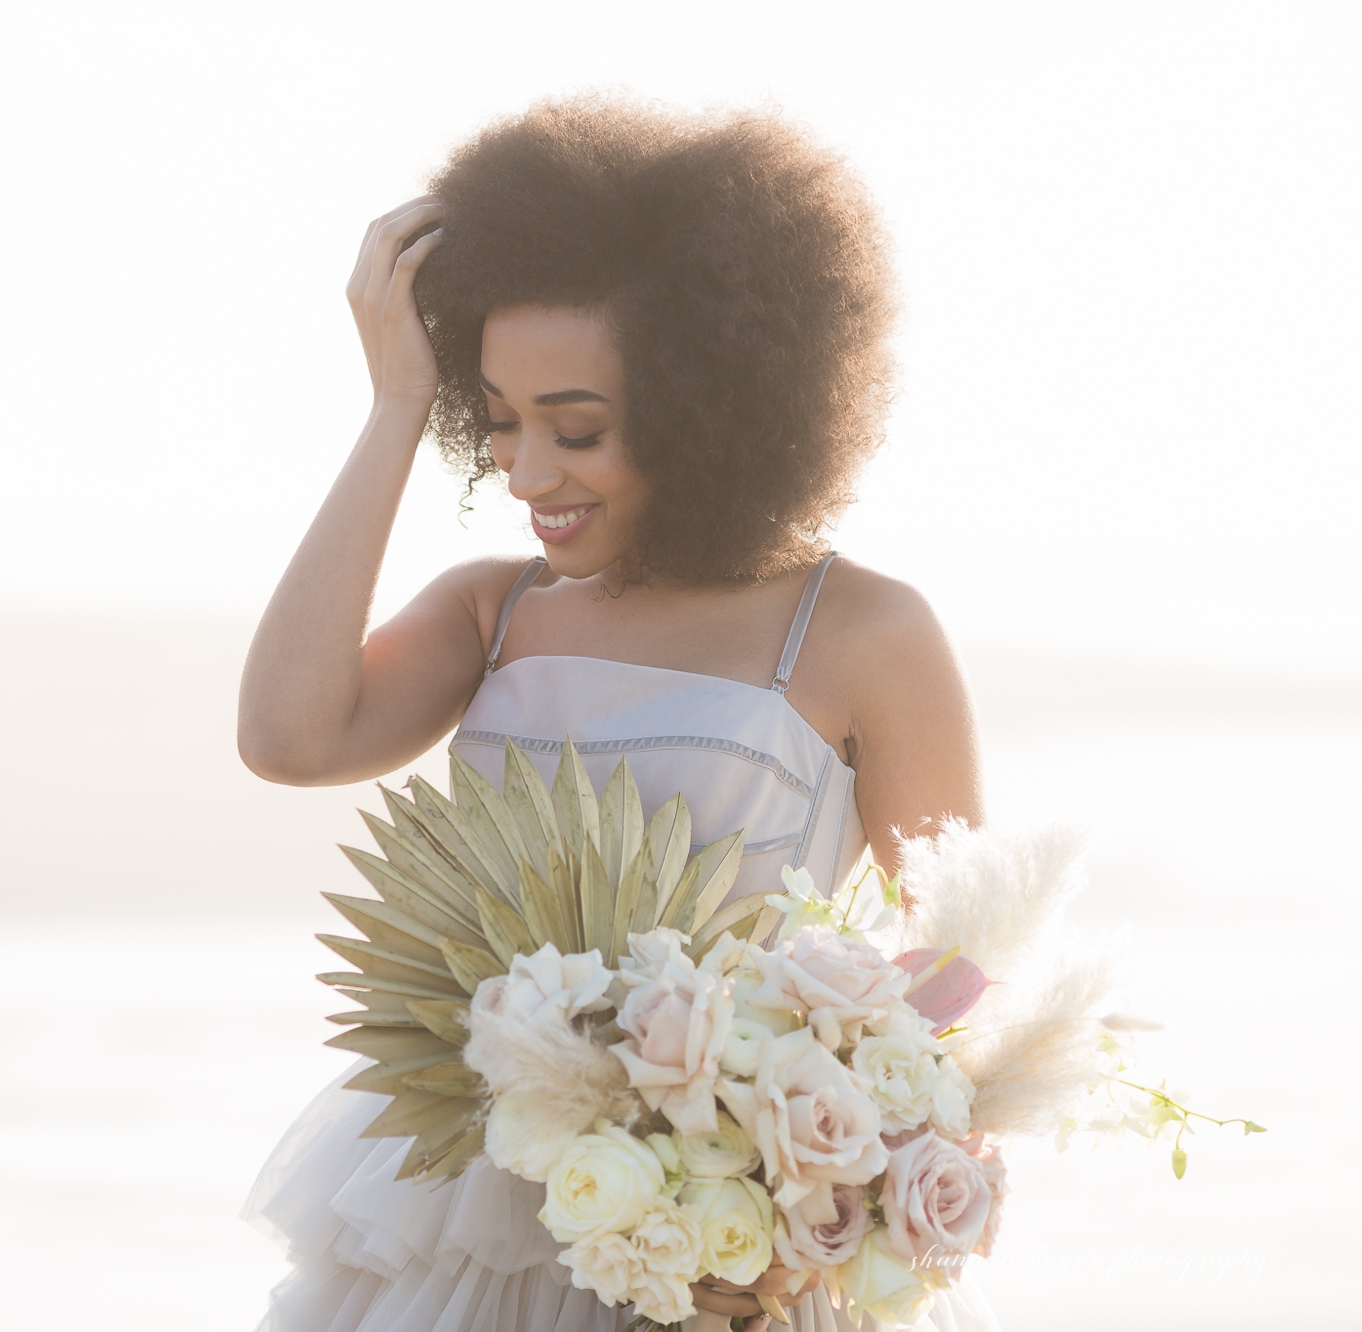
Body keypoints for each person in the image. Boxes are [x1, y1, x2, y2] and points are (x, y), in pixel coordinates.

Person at [238, 96, 996, 1332]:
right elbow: (287, 736)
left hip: (735, 1259)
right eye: (493, 420)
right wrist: (390, 410)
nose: (527, 474)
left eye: (575, 428)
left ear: (711, 409)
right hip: (465, 1231)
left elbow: (959, 969)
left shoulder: (864, 632)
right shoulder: (494, 612)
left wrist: (801, 1159)